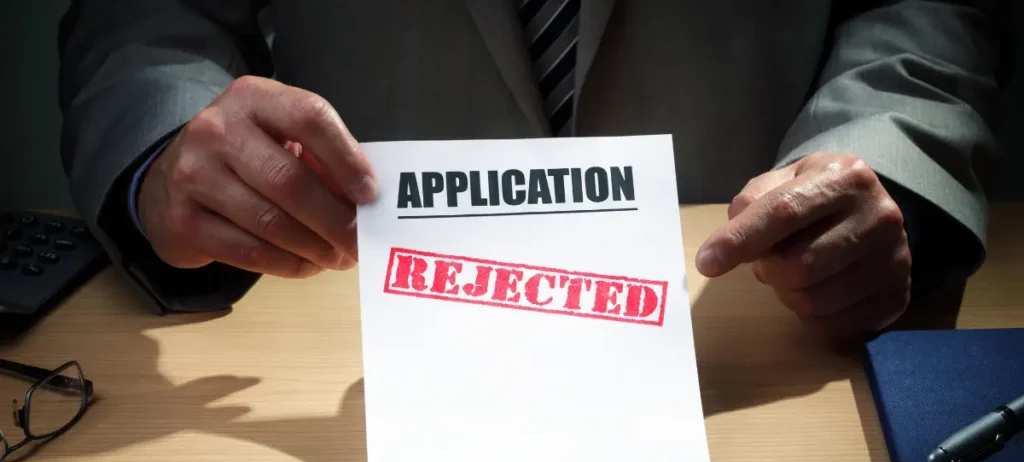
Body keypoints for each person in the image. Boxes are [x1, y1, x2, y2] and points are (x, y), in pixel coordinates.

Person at [57, 1, 1007, 340]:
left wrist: (885, 164)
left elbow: (920, 5)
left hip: (749, 325)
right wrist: (168, 149)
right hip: (342, 323)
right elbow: (146, 12)